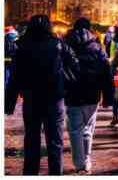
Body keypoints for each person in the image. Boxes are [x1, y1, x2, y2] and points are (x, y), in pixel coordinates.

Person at [5, 15, 80, 175]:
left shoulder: (23, 46)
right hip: (55, 99)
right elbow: (75, 67)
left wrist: (9, 103)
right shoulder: (58, 44)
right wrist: (65, 85)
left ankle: (30, 174)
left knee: (31, 141)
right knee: (55, 143)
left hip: (32, 99)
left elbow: (14, 77)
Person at [64, 18, 111, 174]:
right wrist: (108, 96)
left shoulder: (65, 45)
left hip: (72, 94)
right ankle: (87, 160)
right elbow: (106, 72)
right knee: (87, 129)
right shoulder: (97, 47)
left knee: (74, 130)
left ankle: (79, 165)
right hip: (92, 94)